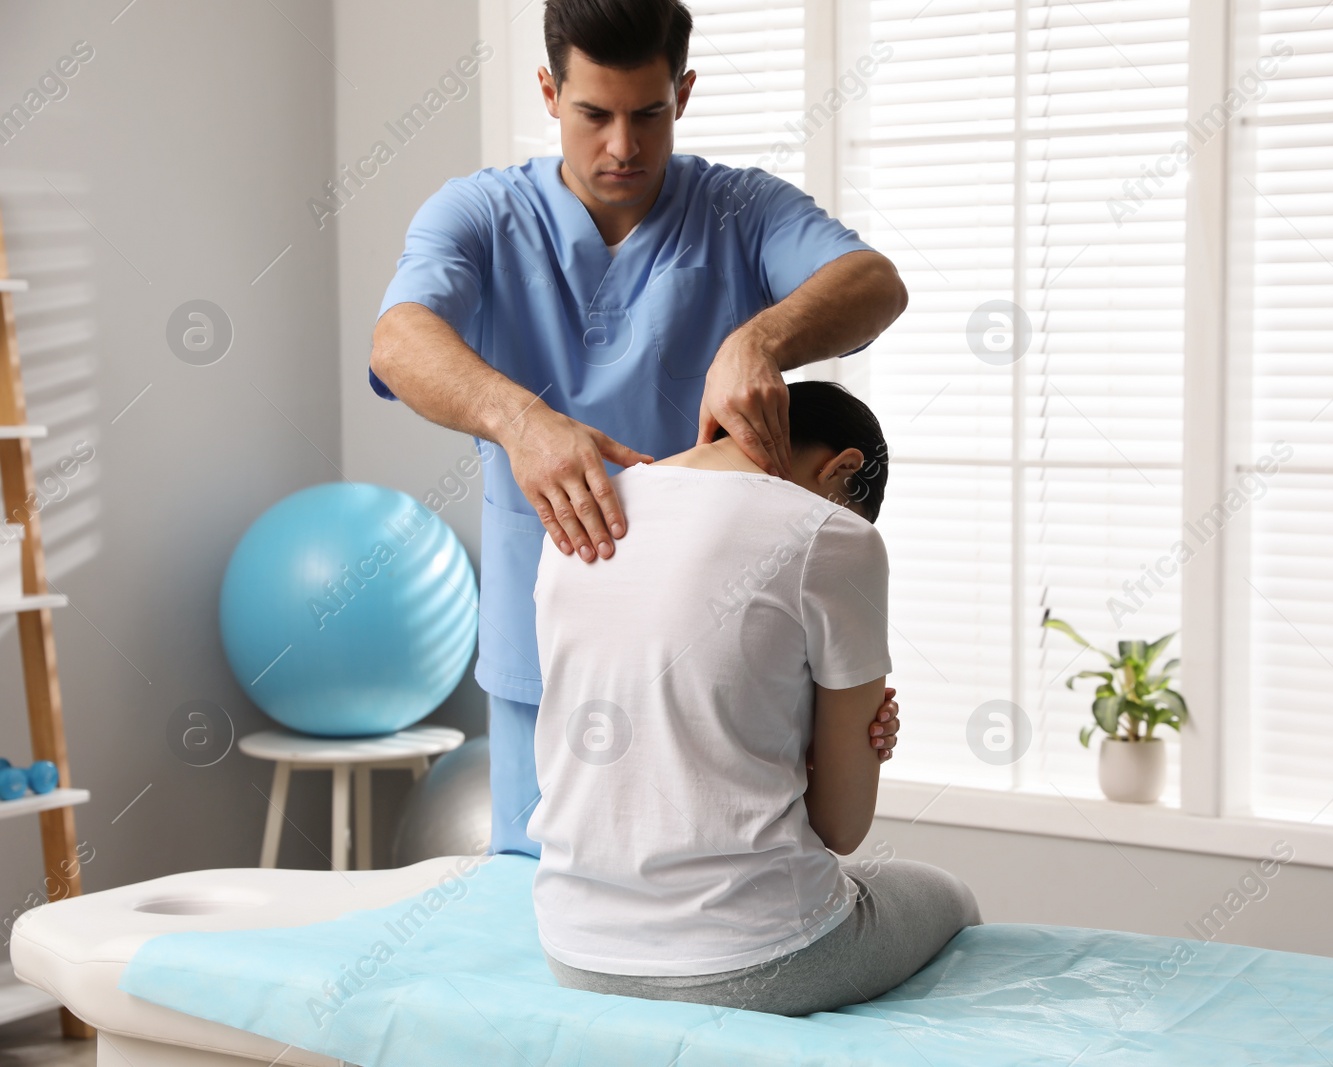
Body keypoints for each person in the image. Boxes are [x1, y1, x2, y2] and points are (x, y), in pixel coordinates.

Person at [366, 0, 909, 857]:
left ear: (683, 94)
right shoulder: (479, 215)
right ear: (549, 91)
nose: (622, 146)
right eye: (594, 114)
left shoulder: (739, 210)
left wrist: (760, 337)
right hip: (547, 662)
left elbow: (874, 283)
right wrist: (522, 420)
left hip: (720, 665)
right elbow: (399, 340)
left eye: (648, 113)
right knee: (540, 916)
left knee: (725, 904)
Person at [528, 381, 983, 1017]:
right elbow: (841, 830)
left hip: (575, 949)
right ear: (843, 467)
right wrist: (852, 748)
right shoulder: (835, 536)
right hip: (757, 958)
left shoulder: (581, 509)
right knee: (952, 896)